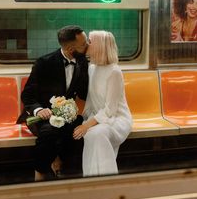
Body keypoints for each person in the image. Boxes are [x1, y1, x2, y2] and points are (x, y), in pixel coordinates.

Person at [17, 25, 89, 181]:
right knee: (49, 133)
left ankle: (70, 174)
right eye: (84, 44)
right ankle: (40, 172)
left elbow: (84, 92)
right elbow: (28, 95)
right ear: (70, 49)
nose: (88, 45)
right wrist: (39, 110)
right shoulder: (44, 63)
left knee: (76, 132)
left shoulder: (83, 62)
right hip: (42, 114)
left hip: (67, 113)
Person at [73, 31, 133, 177]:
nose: (87, 44)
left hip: (117, 118)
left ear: (100, 46)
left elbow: (111, 109)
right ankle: (93, 177)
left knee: (96, 133)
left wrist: (87, 125)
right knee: (91, 134)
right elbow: (91, 99)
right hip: (97, 116)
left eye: (91, 41)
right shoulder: (92, 68)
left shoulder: (114, 72)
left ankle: (106, 179)